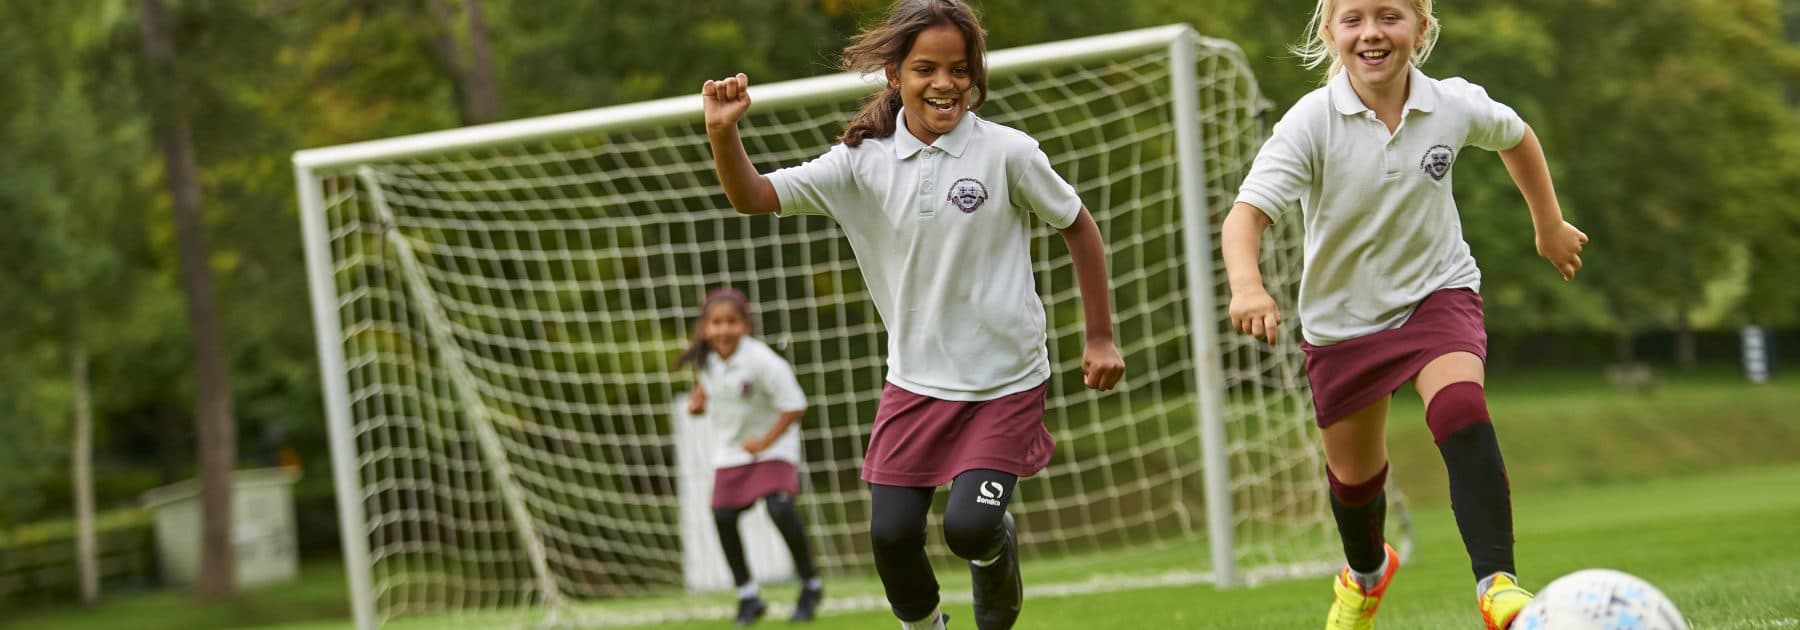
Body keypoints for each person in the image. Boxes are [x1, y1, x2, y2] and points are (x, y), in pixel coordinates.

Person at [699, 1, 1126, 627]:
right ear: (895, 76)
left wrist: (1099, 337)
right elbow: (754, 195)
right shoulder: (857, 164)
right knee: (892, 538)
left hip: (1004, 382)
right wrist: (722, 132)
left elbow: (1079, 228)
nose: (946, 83)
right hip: (915, 383)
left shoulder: (1008, 153)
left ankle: (994, 548)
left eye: (960, 69)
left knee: (969, 527)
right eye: (927, 68)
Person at [1221, 0, 1588, 628]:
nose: (1372, 33)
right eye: (1354, 19)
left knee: (1461, 409)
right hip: (1343, 324)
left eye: (1389, 16)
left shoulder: (1452, 103)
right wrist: (1248, 287)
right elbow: (1245, 216)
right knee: (1355, 483)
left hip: (1436, 294)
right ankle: (1365, 576)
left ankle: (1497, 585)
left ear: (1421, 27)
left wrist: (1548, 225)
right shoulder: (1311, 121)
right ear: (1331, 33)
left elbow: (1518, 136)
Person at [678, 287, 824, 626]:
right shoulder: (707, 361)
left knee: (779, 507)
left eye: (731, 322)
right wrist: (697, 404)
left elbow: (795, 405)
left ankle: (810, 584)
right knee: (723, 515)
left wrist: (764, 441)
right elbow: (704, 394)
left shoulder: (762, 360)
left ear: (745, 325)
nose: (723, 329)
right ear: (705, 327)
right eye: (716, 323)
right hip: (732, 451)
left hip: (773, 445)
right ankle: (748, 595)